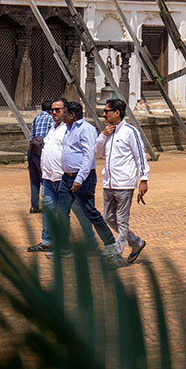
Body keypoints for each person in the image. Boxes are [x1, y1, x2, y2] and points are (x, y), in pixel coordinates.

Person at [53, 102, 116, 259]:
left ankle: (110, 243)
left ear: (72, 115)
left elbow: (89, 155)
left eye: (65, 113)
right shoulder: (68, 129)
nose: (62, 115)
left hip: (83, 177)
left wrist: (79, 178)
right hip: (67, 177)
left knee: (89, 210)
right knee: (61, 212)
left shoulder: (86, 129)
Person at [96, 99, 149, 263]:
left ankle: (116, 255)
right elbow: (97, 153)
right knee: (108, 217)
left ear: (117, 113)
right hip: (108, 183)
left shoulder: (130, 132)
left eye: (107, 111)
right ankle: (136, 242)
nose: (104, 114)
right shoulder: (107, 132)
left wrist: (144, 179)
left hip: (125, 183)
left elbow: (140, 155)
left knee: (122, 220)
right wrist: (103, 136)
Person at [27, 98, 67, 253]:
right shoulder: (52, 127)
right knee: (49, 210)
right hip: (49, 176)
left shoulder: (67, 129)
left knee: (75, 210)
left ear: (66, 111)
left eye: (57, 110)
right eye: (52, 110)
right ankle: (47, 241)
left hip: (62, 177)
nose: (54, 113)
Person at [27, 100, 55, 213]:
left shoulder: (36, 118)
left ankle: (34, 206)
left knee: (34, 180)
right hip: (42, 152)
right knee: (46, 178)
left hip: (32, 150)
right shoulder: (51, 119)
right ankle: (48, 204)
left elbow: (32, 136)